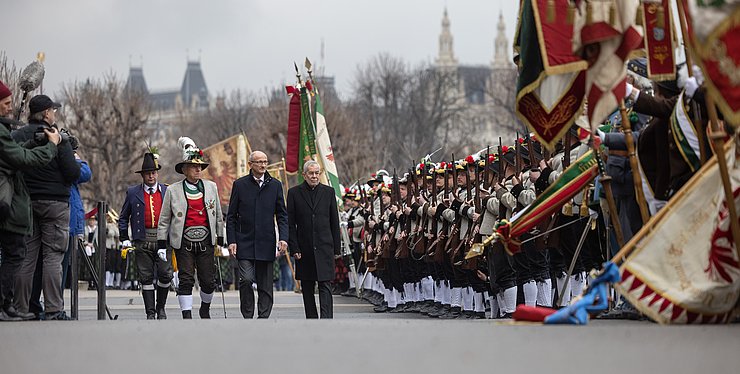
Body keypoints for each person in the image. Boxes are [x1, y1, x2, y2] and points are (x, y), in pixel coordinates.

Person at [12, 94, 81, 321]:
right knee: (53, 257)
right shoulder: (57, 137)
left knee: (26, 258)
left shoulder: (18, 135)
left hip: (26, 201)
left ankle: (20, 308)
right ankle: (53, 309)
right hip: (55, 204)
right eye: (53, 110)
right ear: (46, 113)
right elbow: (73, 173)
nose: (55, 114)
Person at [0, 82, 61, 321]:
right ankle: (4, 305)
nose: (10, 108)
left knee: (16, 252)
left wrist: (33, 142)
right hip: (9, 202)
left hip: (13, 202)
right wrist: (51, 145)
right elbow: (21, 159)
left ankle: (9, 306)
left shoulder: (8, 131)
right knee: (15, 253)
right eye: (5, 104)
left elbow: (12, 153)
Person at [158, 137, 223, 319]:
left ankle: (205, 308)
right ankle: (186, 315)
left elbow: (218, 214)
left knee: (208, 282)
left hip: (206, 240)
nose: (198, 169)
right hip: (183, 242)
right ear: (184, 170)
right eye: (193, 167)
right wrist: (162, 245)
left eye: (200, 166)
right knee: (185, 279)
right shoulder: (173, 190)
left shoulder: (211, 187)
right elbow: (164, 220)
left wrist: (221, 239)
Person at [226, 150, 288, 319]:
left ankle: (263, 317)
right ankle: (247, 315)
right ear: (250, 165)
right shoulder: (240, 185)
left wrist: (283, 238)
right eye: (259, 162)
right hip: (244, 242)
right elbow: (231, 216)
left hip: (266, 242)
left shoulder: (275, 185)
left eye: (265, 162)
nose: (262, 165)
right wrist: (231, 240)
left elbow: (282, 215)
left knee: (265, 285)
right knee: (246, 279)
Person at [119, 150, 173, 319]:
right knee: (146, 276)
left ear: (157, 174)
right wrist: (124, 238)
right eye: (148, 173)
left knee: (165, 274)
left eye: (153, 173)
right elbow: (123, 217)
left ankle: (161, 307)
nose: (151, 176)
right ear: (142, 175)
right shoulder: (133, 192)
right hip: (142, 239)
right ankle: (150, 312)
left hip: (163, 238)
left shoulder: (167, 191)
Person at [287, 160, 341, 319]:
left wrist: (336, 249)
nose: (314, 176)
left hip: (325, 246)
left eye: (317, 173)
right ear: (304, 175)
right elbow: (291, 224)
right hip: (304, 248)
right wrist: (294, 248)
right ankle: (311, 318)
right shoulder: (294, 193)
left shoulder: (329, 192)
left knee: (325, 284)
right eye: (311, 173)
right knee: (307, 285)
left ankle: (327, 318)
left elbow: (334, 222)